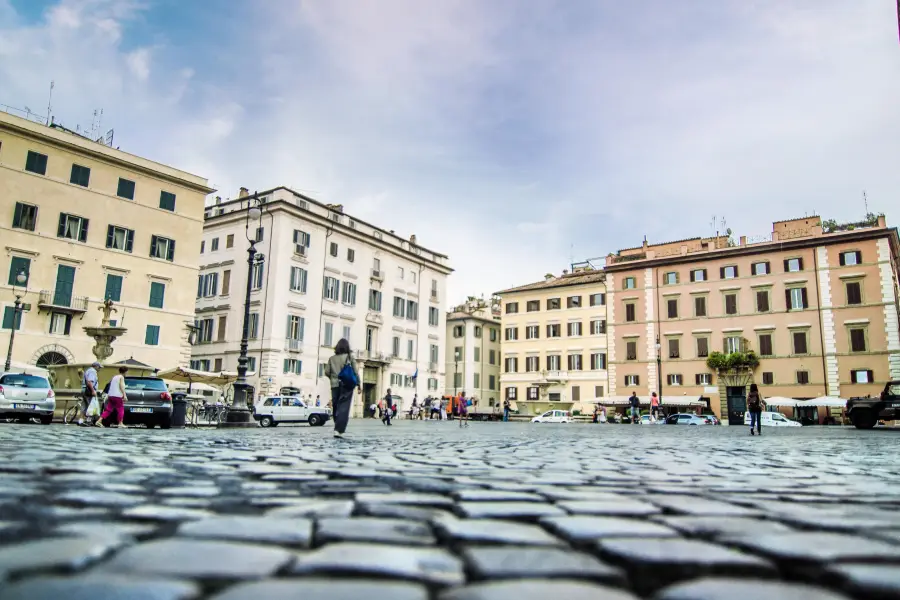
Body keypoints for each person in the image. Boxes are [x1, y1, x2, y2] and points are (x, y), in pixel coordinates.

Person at [324, 338, 361, 438]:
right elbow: (355, 372)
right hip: (346, 385)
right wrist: (359, 384)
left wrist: (333, 377)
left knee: (336, 406)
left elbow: (327, 372)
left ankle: (337, 426)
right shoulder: (349, 357)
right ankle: (339, 429)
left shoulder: (332, 358)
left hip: (334, 385)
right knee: (343, 407)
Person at [80, 361, 101, 426]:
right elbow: (89, 382)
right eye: (99, 367)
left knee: (84, 405)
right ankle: (88, 421)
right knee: (90, 405)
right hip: (89, 390)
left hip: (84, 389)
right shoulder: (92, 371)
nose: (99, 369)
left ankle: (80, 421)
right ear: (96, 366)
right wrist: (93, 391)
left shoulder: (88, 370)